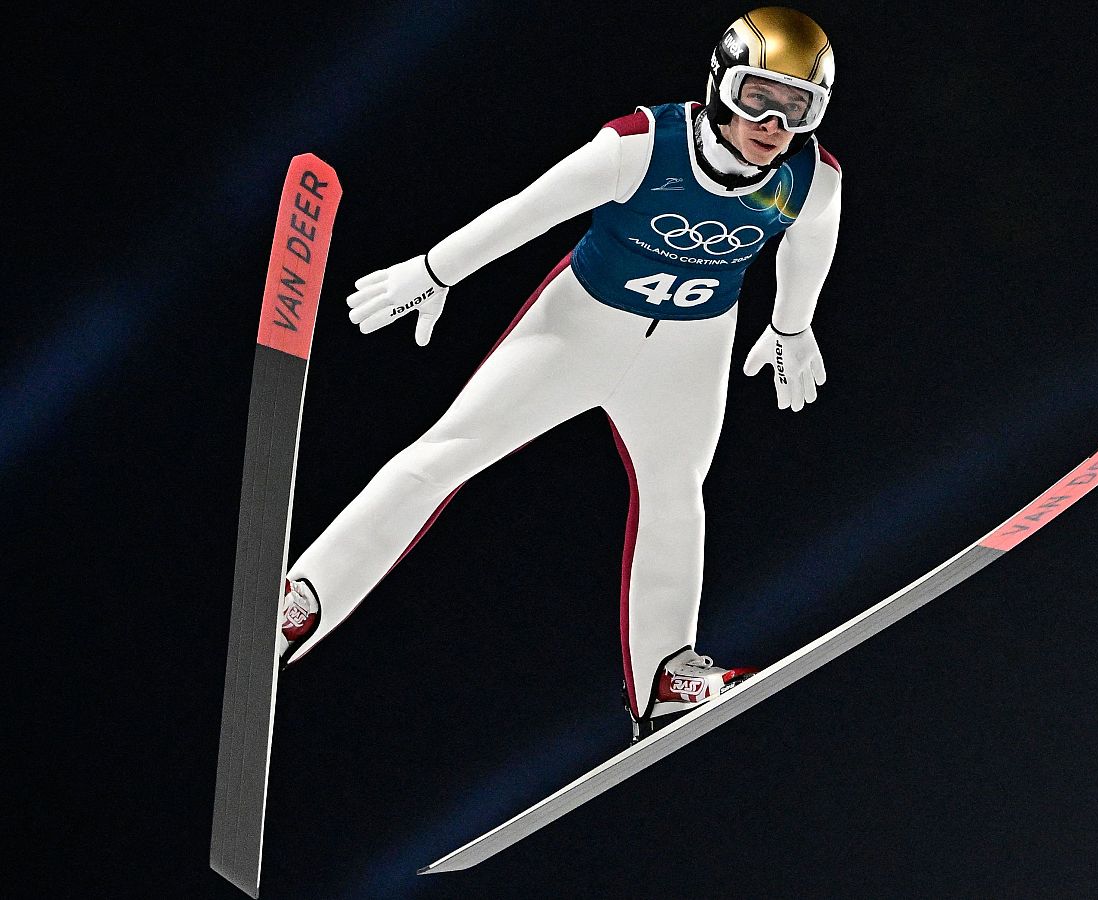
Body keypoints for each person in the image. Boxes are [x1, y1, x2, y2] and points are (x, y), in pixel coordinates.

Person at [275, 7, 842, 743]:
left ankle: (667, 679)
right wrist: (434, 271)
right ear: (720, 84)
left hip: (689, 352)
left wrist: (792, 322)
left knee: (676, 496)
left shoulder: (810, 178)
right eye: (756, 95)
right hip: (578, 331)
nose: (772, 122)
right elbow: (528, 211)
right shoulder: (640, 148)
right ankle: (300, 599)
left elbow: (813, 236)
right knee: (447, 455)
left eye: (796, 106)